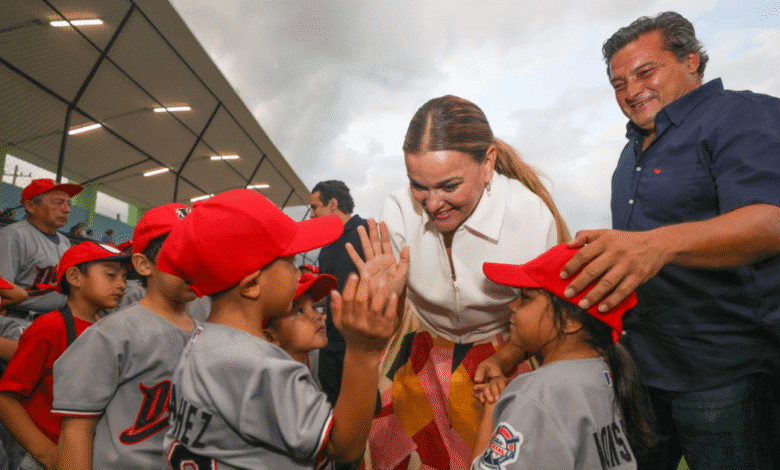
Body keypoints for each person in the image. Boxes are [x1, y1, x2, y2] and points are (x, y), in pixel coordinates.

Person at [558, 12, 780, 470]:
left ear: (691, 61)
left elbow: (771, 220)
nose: (630, 90)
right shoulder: (630, 150)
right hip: (643, 373)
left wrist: (655, 244)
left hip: (724, 373)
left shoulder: (740, 113)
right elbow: (645, 247)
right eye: (618, 83)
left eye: (645, 72)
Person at [372, 95, 571, 469]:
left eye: (449, 186)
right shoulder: (397, 210)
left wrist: (507, 356)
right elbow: (391, 313)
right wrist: (384, 298)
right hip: (420, 353)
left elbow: (546, 319)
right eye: (419, 186)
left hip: (509, 354)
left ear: (488, 164)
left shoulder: (529, 216)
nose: (432, 204)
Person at [156, 189, 406, 469]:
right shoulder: (261, 367)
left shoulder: (200, 341)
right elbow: (344, 446)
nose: (299, 273)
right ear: (251, 285)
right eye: (291, 263)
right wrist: (363, 351)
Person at [468, 245, 656, 470]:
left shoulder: (537, 394)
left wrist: (493, 407)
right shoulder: (604, 372)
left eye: (525, 297)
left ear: (570, 321)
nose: (513, 305)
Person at [51, 203, 198, 470]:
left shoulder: (209, 334)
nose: (194, 262)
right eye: (179, 251)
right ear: (143, 265)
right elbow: (76, 432)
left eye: (201, 250)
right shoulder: (112, 335)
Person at [0, 242, 129, 470]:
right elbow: (6, 399)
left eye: (124, 277)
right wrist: (47, 453)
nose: (121, 284)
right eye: (111, 275)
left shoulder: (111, 331)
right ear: (74, 277)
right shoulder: (49, 327)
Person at [309, 180, 369, 406]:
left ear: (333, 204)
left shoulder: (366, 232)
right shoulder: (326, 247)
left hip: (360, 344)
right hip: (331, 343)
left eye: (315, 207)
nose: (312, 215)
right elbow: (329, 294)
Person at [0, 179, 82, 319]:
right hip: (17, 319)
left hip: (53, 321)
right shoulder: (13, 236)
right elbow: (2, 293)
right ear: (31, 206)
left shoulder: (65, 242)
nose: (67, 209)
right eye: (58, 202)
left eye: (68, 204)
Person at [263, 270, 337, 382]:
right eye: (299, 311)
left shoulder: (302, 369)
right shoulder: (276, 386)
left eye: (314, 307)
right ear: (271, 337)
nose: (318, 316)